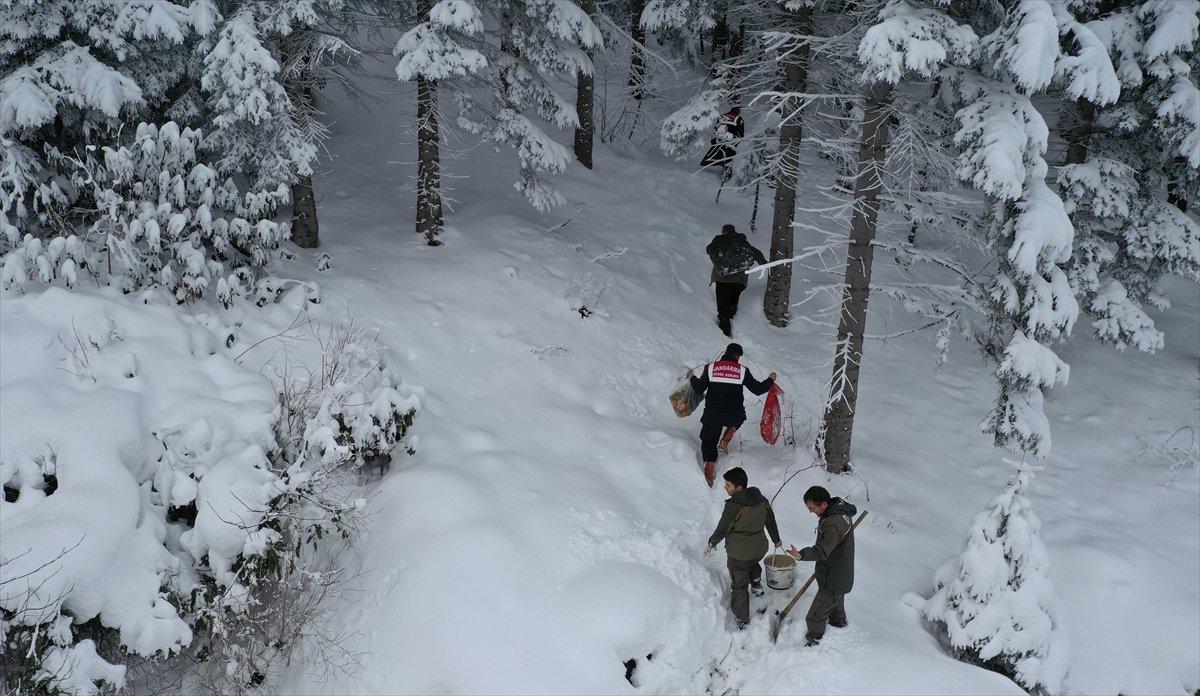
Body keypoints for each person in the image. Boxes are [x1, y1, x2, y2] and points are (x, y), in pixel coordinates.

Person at [705, 467, 782, 630]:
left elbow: (722, 529)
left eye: (728, 485)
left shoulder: (734, 506)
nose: (725, 487)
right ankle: (756, 586)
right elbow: (770, 521)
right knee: (752, 563)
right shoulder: (762, 500)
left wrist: (712, 543)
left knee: (739, 585)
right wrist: (776, 539)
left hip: (739, 554)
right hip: (759, 549)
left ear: (739, 488)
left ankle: (742, 618)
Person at [689, 342, 776, 486]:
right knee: (739, 418)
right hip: (733, 414)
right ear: (738, 357)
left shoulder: (711, 367)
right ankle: (725, 440)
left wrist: (692, 377)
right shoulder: (742, 371)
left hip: (713, 414)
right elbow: (758, 389)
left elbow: (698, 388)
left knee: (709, 441)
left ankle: (709, 467)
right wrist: (771, 379)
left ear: (725, 353)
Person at [786, 486, 857, 646]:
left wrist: (800, 555)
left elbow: (822, 551)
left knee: (814, 617)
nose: (811, 512)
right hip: (840, 573)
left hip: (833, 576)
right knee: (836, 600)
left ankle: (814, 642)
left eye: (812, 508)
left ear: (824, 504)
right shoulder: (838, 510)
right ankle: (839, 624)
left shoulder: (833, 524)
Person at [706, 224, 767, 337]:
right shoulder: (742, 242)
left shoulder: (719, 241)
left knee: (722, 307)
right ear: (734, 231)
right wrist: (765, 264)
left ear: (724, 231)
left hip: (722, 279)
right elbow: (756, 253)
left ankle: (725, 333)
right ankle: (732, 319)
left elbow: (709, 250)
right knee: (732, 303)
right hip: (739, 281)